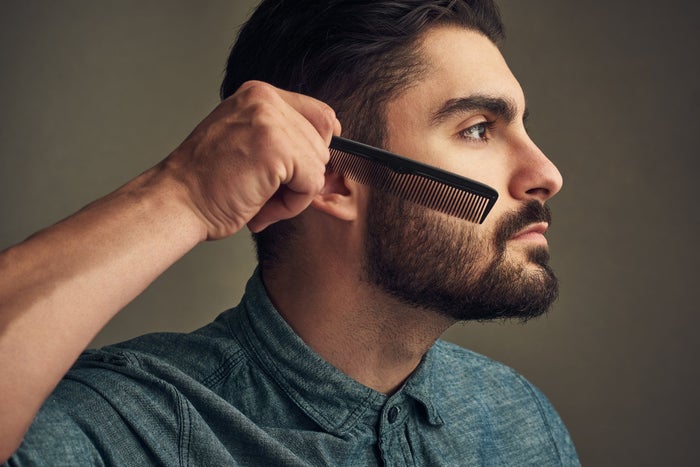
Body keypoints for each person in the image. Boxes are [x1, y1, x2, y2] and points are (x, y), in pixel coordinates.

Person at [1, 0, 579, 464]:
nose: (546, 174)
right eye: (478, 129)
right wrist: (179, 192)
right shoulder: (133, 427)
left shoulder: (517, 418)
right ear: (333, 174)